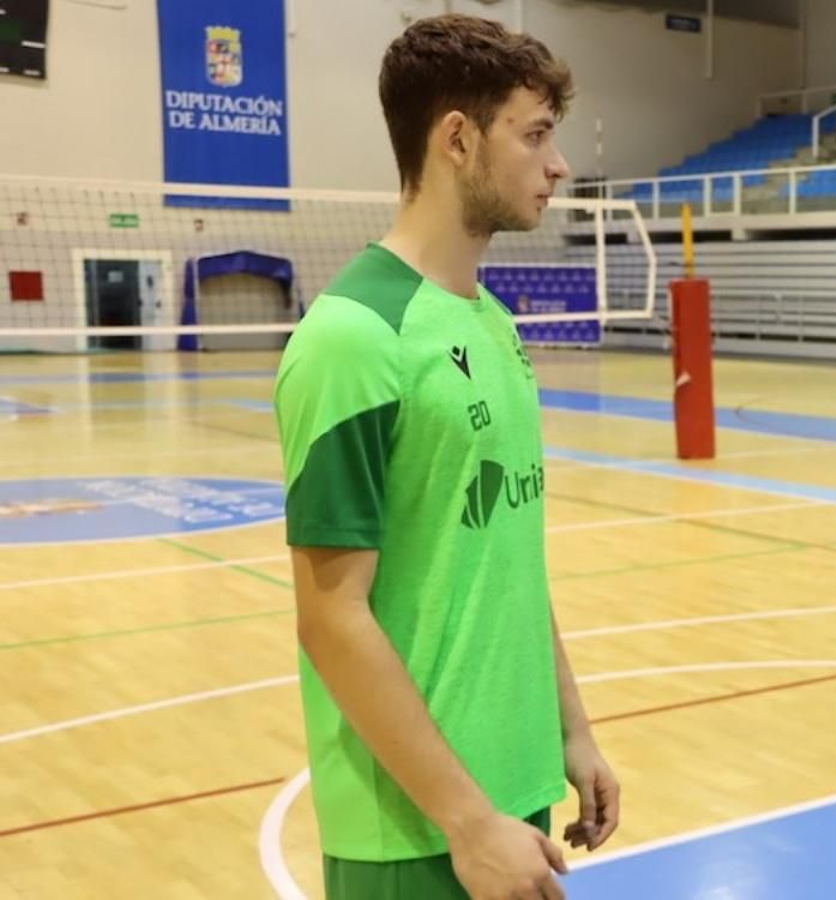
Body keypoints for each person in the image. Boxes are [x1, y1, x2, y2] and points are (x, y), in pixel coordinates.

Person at [273, 15, 618, 900]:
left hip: (511, 797)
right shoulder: (353, 336)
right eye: (534, 135)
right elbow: (331, 617)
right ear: (457, 138)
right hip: (418, 831)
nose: (558, 165)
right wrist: (465, 821)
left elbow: (506, 548)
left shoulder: (491, 323)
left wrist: (569, 729)